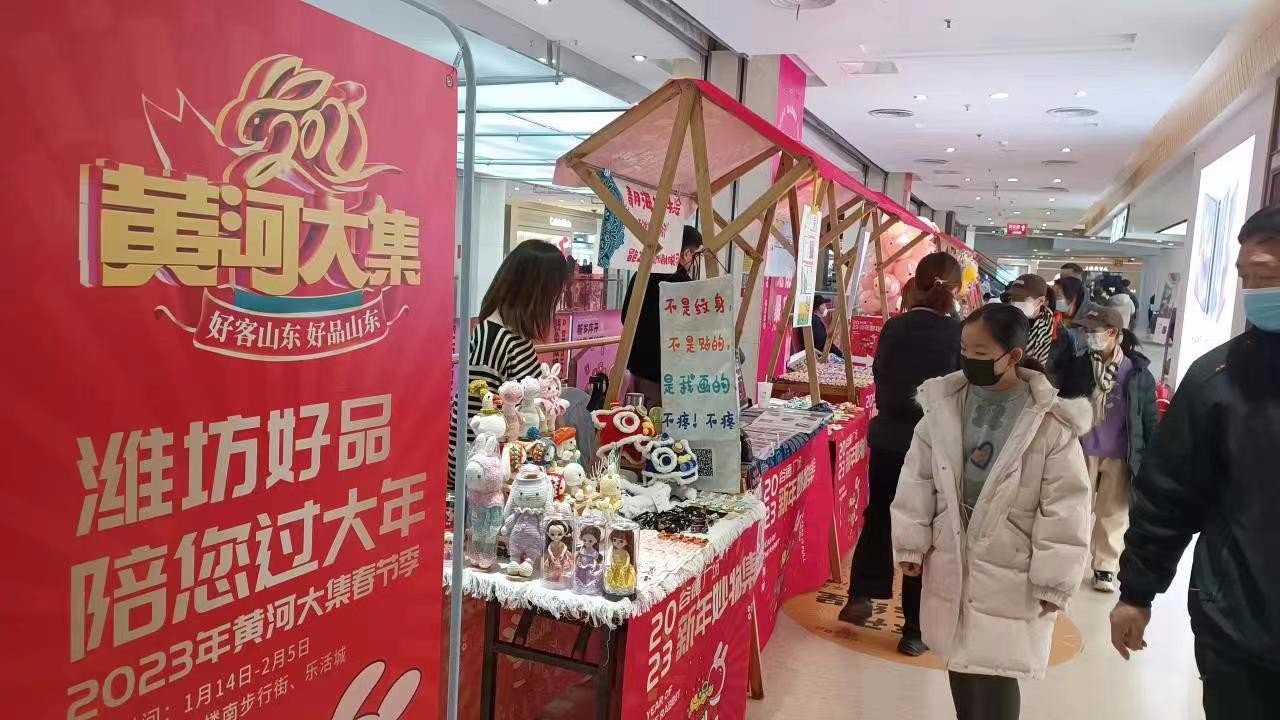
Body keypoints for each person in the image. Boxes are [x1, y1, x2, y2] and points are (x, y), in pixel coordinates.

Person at [1110, 206, 1280, 718]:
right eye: (1246, 278)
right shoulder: (1218, 378)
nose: (1255, 291)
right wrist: (1136, 593)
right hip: (1239, 629)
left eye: (1267, 276)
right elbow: (1169, 493)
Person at [892, 304, 1092, 720]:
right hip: (952, 549)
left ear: (1013, 356)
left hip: (1011, 560)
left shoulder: (1048, 421)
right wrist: (911, 543)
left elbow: (1066, 507)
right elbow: (917, 477)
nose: (969, 360)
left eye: (981, 353)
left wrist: (1055, 581)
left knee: (998, 668)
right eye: (965, 350)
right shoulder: (944, 403)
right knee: (959, 658)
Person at [839, 252, 963, 656]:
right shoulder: (960, 334)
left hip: (889, 438)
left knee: (879, 515)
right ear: (956, 289)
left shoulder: (895, 327)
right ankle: (914, 627)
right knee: (925, 528)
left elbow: (880, 376)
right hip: (935, 445)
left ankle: (860, 595)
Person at [448, 239, 572, 487]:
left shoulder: (515, 333)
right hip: (485, 477)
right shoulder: (493, 337)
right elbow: (476, 419)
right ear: (537, 291)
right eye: (556, 292)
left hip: (513, 466)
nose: (557, 301)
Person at [1050, 306, 1156, 592]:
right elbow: (1061, 399)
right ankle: (1068, 562)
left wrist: (1150, 455)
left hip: (1120, 452)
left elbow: (1148, 417)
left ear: (1113, 333)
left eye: (1094, 331)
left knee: (1113, 512)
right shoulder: (1078, 364)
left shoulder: (1137, 373)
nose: (1088, 336)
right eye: (1086, 331)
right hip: (1081, 448)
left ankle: (1105, 567)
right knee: (1074, 507)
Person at [623, 226, 704, 408]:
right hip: (667, 376)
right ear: (686, 254)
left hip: (636, 369)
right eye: (696, 255)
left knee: (634, 420)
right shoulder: (685, 285)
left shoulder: (641, 274)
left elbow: (625, 317)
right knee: (658, 421)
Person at [1004, 274, 1063, 368]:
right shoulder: (1003, 317)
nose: (1014, 302)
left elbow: (1045, 356)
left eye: (1021, 298)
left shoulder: (1048, 321)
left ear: (1040, 301)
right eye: (1013, 297)